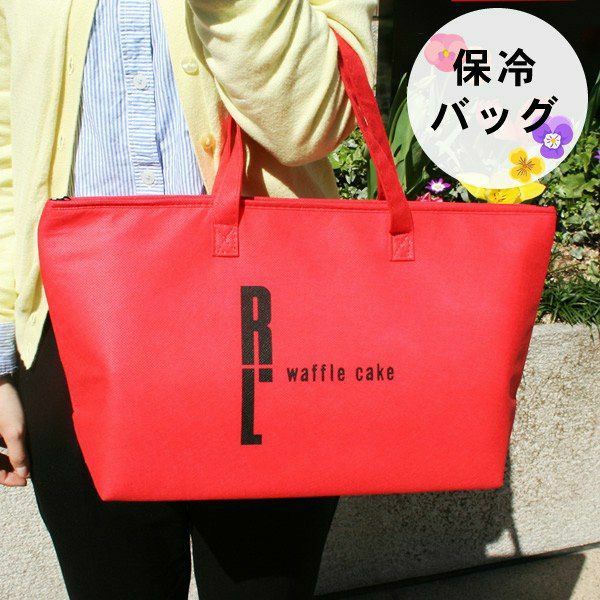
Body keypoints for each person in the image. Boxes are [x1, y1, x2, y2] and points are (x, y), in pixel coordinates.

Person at [0, 0, 376, 598]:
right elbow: (9, 153)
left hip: (266, 332)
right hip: (74, 334)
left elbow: (310, 126)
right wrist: (2, 353)